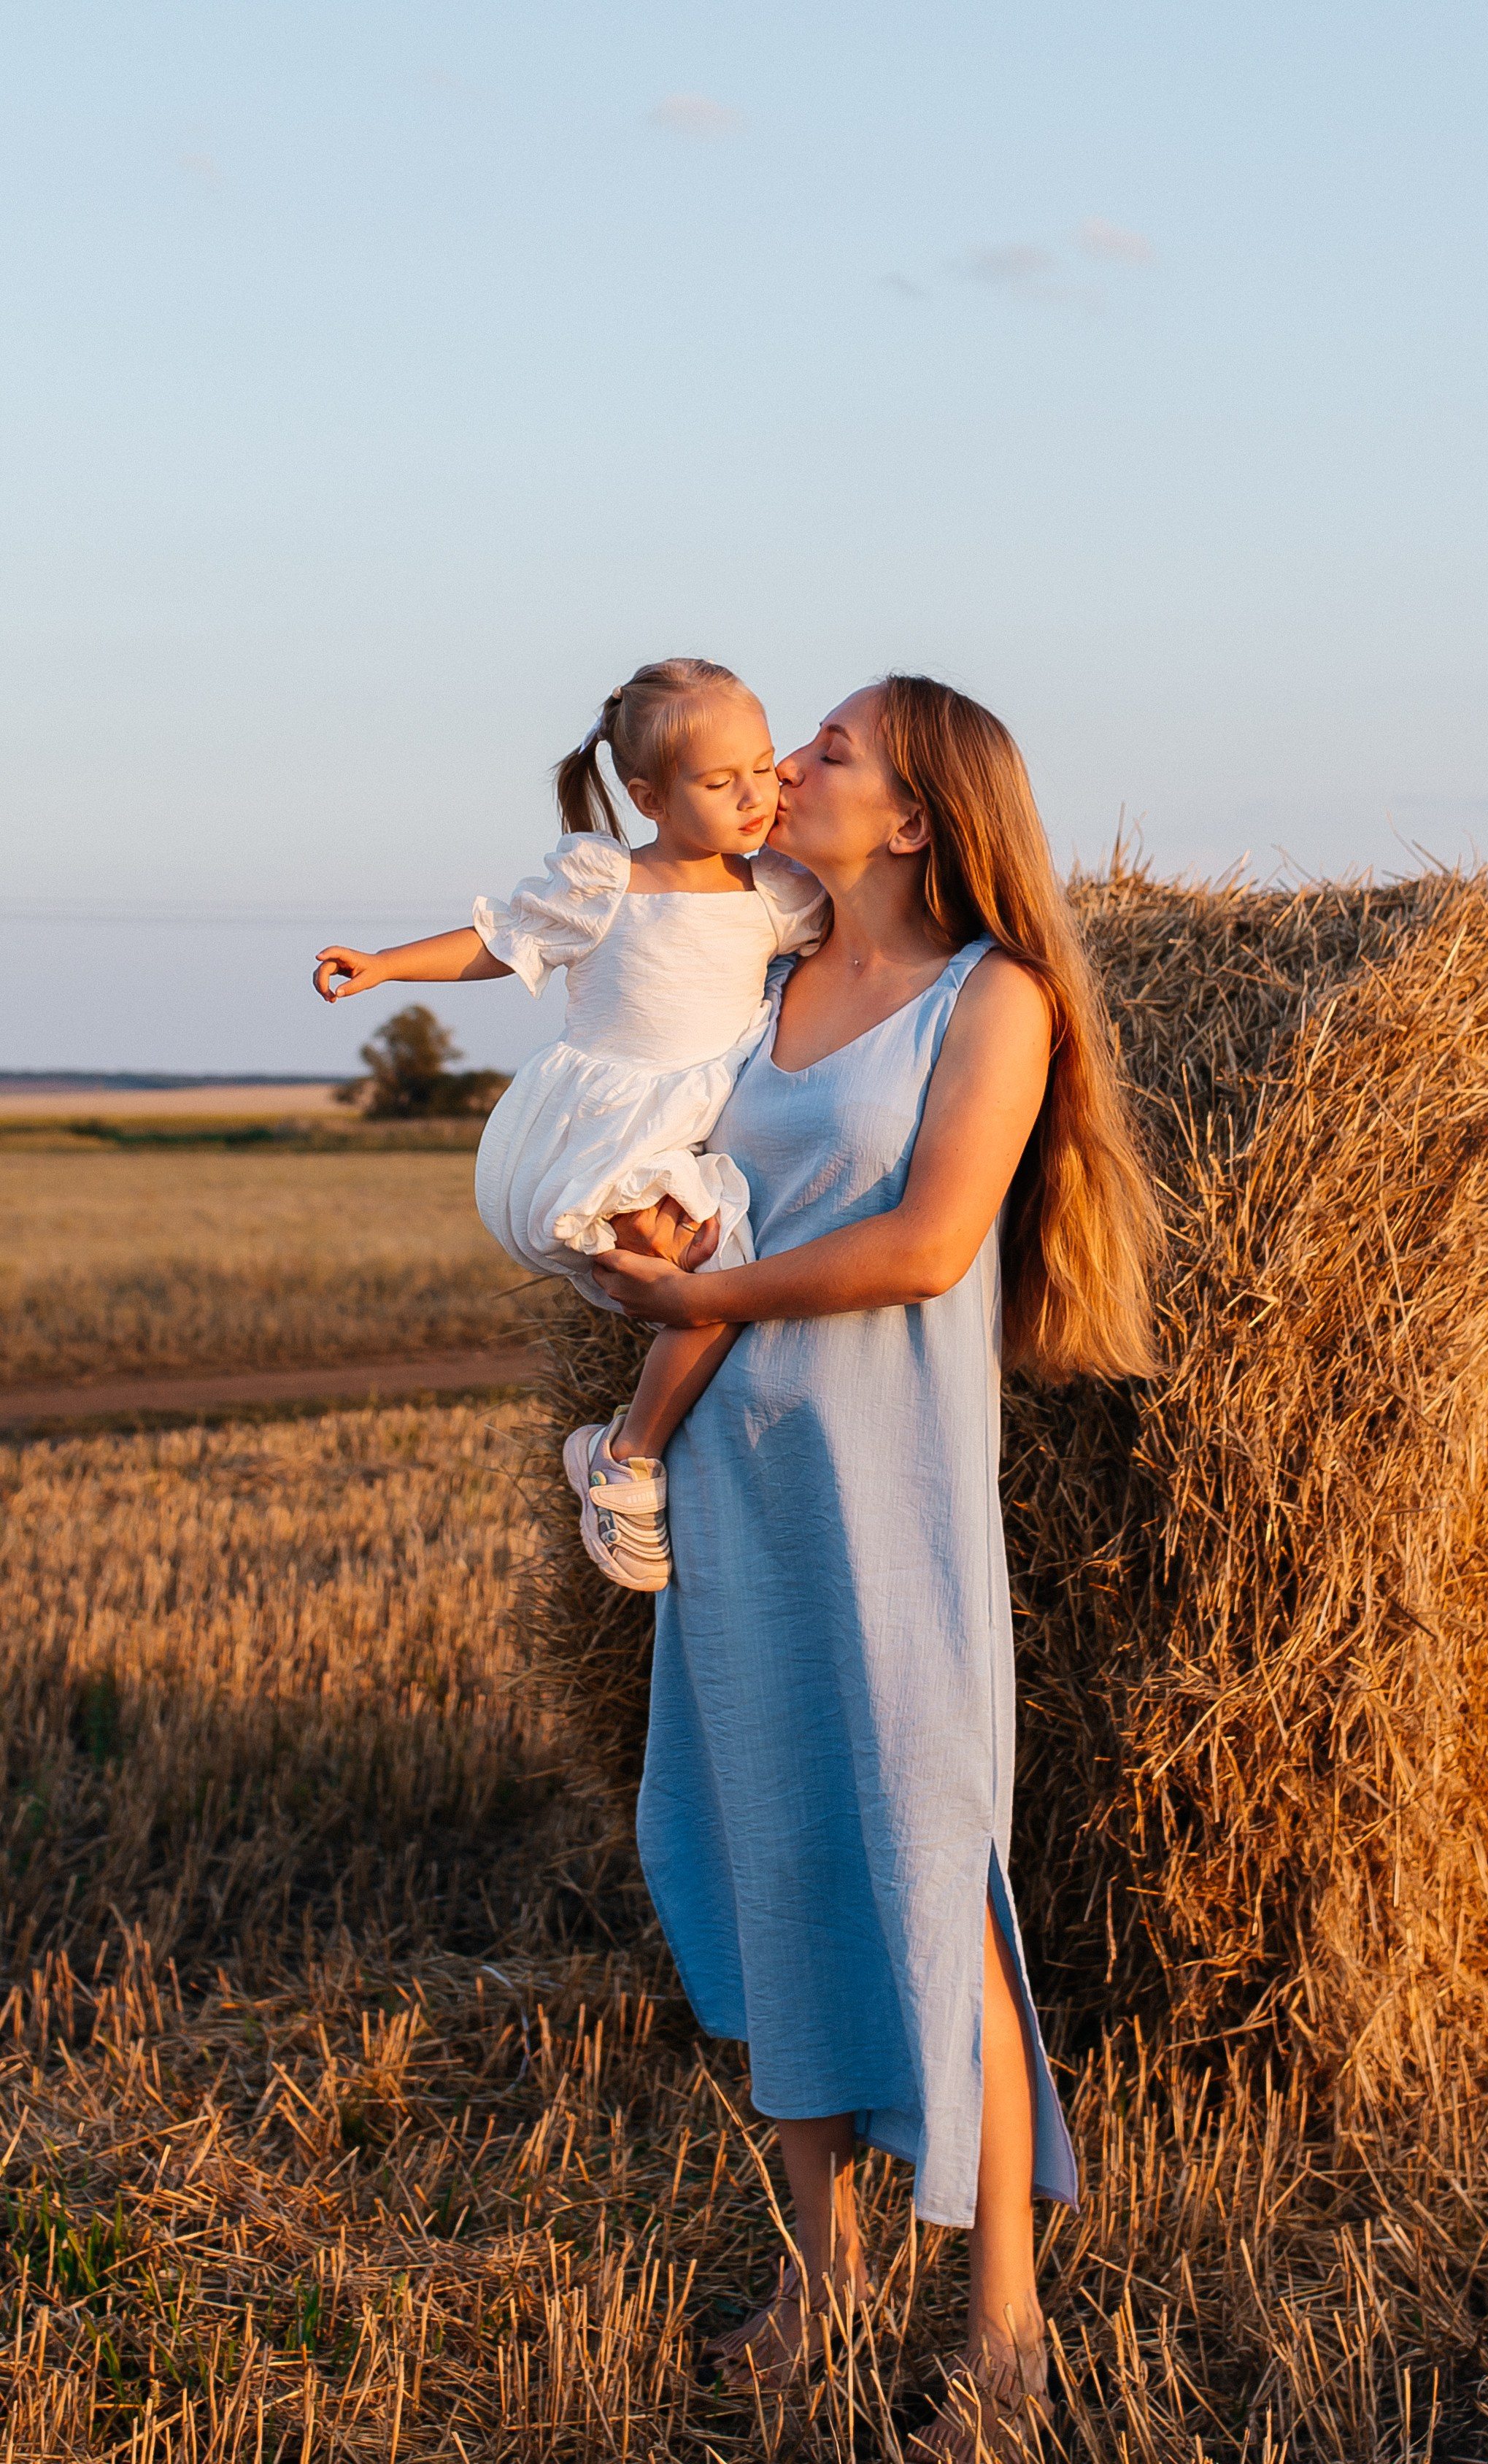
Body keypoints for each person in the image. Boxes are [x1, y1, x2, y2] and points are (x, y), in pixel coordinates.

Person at [587, 675, 1161, 2460]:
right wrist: (635, 1256)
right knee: (766, 1847)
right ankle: (822, 2278)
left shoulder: (992, 998)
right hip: (739, 1494)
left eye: (830, 750)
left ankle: (1002, 2333)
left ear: (911, 818)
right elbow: (688, 1182)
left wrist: (705, 1295)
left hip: (888, 1495)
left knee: (932, 1861)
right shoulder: (755, 991)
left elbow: (921, 1249)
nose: (792, 768)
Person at [311, 656, 828, 1590]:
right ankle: (625, 1458)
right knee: (710, 1283)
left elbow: (863, 935)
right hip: (609, 1129)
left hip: (694, 1125)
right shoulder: (605, 884)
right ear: (648, 796)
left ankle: (629, 1450)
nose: (757, 793)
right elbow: (501, 941)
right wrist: (387, 963)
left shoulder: (774, 892)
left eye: (762, 764)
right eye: (721, 782)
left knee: (719, 1286)